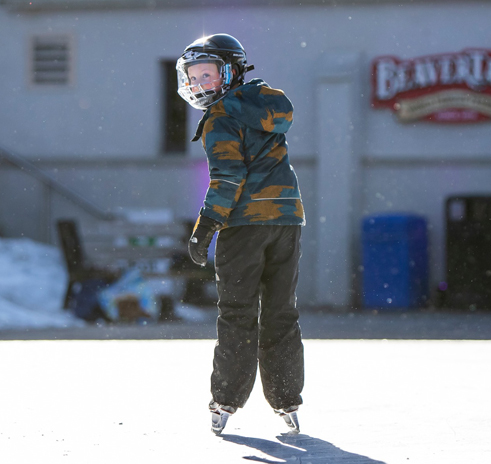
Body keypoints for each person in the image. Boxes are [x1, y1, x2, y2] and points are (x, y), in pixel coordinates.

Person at [176, 33, 306, 436]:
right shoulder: (264, 103)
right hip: (286, 219)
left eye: (207, 75)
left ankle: (225, 400)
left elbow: (228, 178)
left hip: (245, 226)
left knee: (237, 314)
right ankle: (287, 401)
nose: (199, 84)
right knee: (281, 313)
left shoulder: (220, 117)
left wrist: (205, 230)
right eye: (193, 76)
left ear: (229, 72)